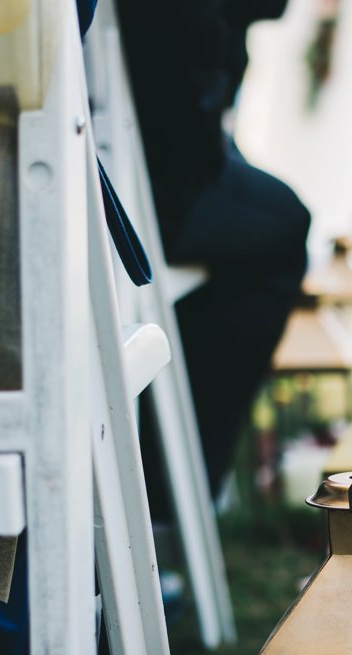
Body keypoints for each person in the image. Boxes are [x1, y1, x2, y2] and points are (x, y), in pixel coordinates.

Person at [116, 0, 312, 502]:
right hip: (140, 191)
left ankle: (165, 470)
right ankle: (170, 488)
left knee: (264, 216)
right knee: (285, 226)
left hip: (126, 174)